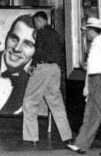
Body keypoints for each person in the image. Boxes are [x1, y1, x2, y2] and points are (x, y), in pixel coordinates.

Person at [66, 17, 101, 156]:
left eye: (86, 31)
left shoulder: (100, 41)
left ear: (92, 31)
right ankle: (81, 144)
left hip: (99, 81)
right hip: (94, 80)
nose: (85, 33)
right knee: (91, 115)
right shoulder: (95, 44)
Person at [22, 11, 73, 146]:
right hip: (55, 69)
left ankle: (32, 137)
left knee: (30, 100)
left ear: (40, 21)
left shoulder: (42, 32)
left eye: (35, 23)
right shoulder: (55, 33)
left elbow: (38, 51)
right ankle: (67, 136)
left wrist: (32, 66)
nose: (35, 26)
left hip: (43, 68)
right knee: (56, 103)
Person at [0, 14, 36, 115]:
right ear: (7, 37)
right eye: (14, 39)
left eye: (27, 44)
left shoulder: (32, 83)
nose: (17, 48)